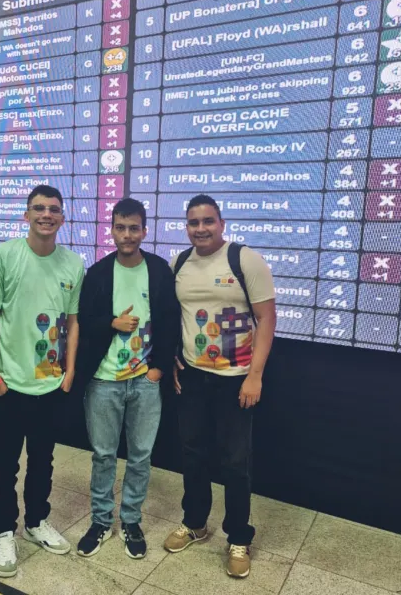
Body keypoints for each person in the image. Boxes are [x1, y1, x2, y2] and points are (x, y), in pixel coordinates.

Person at [162, 194, 276, 579]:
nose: (201, 229)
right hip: (193, 377)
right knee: (192, 453)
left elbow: (267, 319)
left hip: (236, 380)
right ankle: (195, 523)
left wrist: (255, 375)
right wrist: (173, 357)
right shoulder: (178, 264)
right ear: (186, 227)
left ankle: (238, 538)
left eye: (208, 221)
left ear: (221, 224)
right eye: (193, 222)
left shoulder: (245, 260)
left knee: (234, 462)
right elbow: (174, 318)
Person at [0, 185, 84, 577]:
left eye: (54, 209)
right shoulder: (3, 256)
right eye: (39, 208)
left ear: (62, 218)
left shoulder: (73, 264)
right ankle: (3, 531)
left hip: (50, 384)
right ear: (26, 215)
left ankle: (36, 521)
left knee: (42, 460)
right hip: (9, 384)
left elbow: (73, 322)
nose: (46, 214)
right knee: (5, 463)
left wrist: (70, 371)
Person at [74, 198, 180, 559]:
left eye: (134, 228)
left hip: (145, 380)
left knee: (140, 457)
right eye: (120, 227)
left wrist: (158, 369)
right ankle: (101, 521)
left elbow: (171, 321)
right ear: (112, 231)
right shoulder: (98, 273)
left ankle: (131, 520)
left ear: (144, 231)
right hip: (104, 380)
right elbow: (83, 321)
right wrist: (112, 323)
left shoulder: (159, 271)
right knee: (104, 455)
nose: (127, 235)